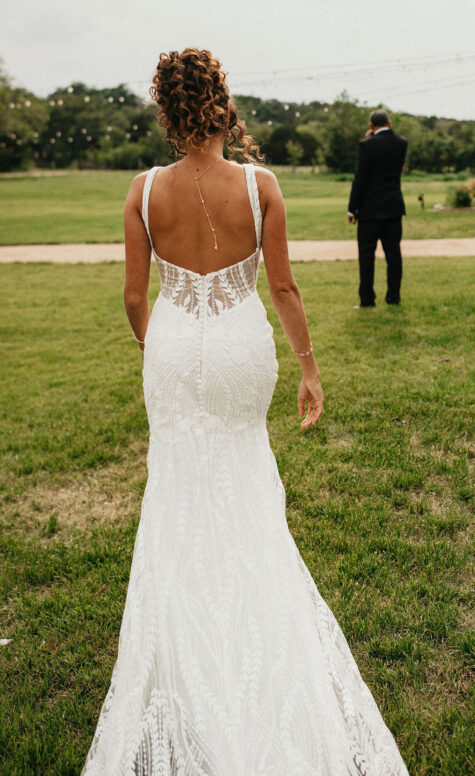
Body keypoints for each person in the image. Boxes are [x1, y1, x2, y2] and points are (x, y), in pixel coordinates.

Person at [81, 49, 410, 776]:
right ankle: (253, 624)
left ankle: (183, 646)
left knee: (175, 490)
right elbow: (284, 289)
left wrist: (158, 347)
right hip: (240, 350)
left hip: (172, 348)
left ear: (167, 113)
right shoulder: (261, 187)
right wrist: (309, 368)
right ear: (223, 108)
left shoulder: (141, 191)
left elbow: (136, 298)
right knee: (243, 475)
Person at [347, 110, 408, 307]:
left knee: (366, 256)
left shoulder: (367, 145)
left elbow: (360, 179)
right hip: (393, 207)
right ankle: (393, 297)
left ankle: (367, 299)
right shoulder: (401, 144)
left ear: (371, 126)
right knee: (393, 255)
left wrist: (352, 208)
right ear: (389, 123)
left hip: (369, 210)